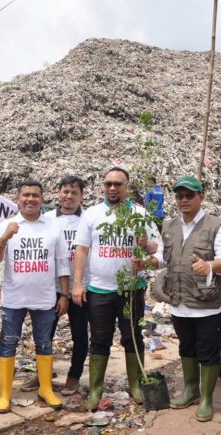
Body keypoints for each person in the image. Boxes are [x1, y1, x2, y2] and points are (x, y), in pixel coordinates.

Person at [71, 167, 159, 410]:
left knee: (133, 337)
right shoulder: (92, 214)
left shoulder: (139, 214)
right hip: (99, 290)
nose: (112, 188)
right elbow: (81, 250)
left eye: (118, 184)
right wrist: (77, 284)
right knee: (100, 339)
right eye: (108, 183)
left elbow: (155, 247)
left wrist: (146, 244)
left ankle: (136, 385)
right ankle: (95, 390)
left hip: (132, 288)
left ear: (126, 186)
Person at [149, 175, 221, 422]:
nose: (184, 200)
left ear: (201, 197)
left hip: (206, 303)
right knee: (186, 348)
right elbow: (165, 258)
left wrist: (209, 266)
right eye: (180, 196)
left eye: (189, 195)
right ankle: (191, 391)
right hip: (179, 302)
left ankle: (206, 399)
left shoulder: (216, 225)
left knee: (207, 351)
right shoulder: (169, 225)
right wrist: (149, 261)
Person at [0, 180, 70, 413]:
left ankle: (46, 389)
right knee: (9, 343)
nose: (31, 199)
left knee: (44, 343)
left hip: (44, 298)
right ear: (18, 199)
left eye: (35, 195)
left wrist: (64, 294)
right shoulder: (7, 225)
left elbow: (62, 262)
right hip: (14, 298)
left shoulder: (53, 226)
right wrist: (4, 238)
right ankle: (5, 394)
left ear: (42, 199)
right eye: (26, 195)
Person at [18, 176, 90, 395]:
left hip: (81, 287)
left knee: (79, 335)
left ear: (81, 196)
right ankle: (43, 373)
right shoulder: (47, 219)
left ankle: (74, 376)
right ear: (58, 193)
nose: (69, 196)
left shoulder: (88, 219)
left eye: (74, 193)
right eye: (65, 191)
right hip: (51, 288)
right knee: (44, 334)